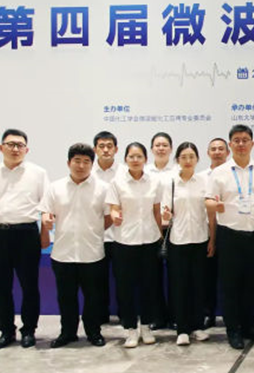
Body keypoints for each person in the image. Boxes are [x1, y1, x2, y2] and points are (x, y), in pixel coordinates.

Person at [0, 129, 50, 350]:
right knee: (1, 287)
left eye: (20, 145)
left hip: (26, 234)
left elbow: (46, 206)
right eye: (11, 144)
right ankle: (6, 331)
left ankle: (29, 331)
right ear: (1, 147)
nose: (15, 149)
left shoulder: (38, 173)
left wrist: (45, 234)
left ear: (27, 149)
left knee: (29, 286)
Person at [206, 125, 254, 349]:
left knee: (252, 285)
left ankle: (248, 327)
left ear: (252, 143)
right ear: (230, 145)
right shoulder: (219, 172)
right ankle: (233, 330)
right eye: (236, 140)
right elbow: (208, 201)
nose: (241, 144)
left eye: (245, 140)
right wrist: (215, 205)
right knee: (230, 286)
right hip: (229, 237)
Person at [39, 143, 111, 348]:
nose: (81, 165)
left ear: (92, 164)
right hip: (63, 253)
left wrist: (93, 231)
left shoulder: (103, 189)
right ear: (68, 163)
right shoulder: (55, 188)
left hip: (92, 253)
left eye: (86, 161)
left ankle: (94, 332)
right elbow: (46, 212)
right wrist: (46, 221)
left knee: (93, 298)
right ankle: (68, 333)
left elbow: (108, 218)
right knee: (66, 297)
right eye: (77, 161)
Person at [107, 142, 163, 348]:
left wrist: (160, 236)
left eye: (139, 156)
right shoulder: (117, 182)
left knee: (150, 285)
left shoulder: (155, 181)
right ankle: (130, 329)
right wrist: (115, 215)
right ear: (126, 159)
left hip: (149, 240)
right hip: (125, 241)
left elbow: (156, 210)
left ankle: (146, 326)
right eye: (131, 156)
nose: (135, 160)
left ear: (145, 159)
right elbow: (113, 208)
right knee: (126, 287)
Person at [163, 142, 212, 346]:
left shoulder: (204, 181)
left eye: (191, 156)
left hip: (200, 238)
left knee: (198, 285)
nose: (188, 160)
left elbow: (209, 212)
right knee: (179, 286)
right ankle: (182, 329)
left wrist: (212, 239)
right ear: (177, 160)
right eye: (183, 157)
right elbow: (165, 212)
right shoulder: (170, 183)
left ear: (197, 159)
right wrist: (166, 214)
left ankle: (197, 326)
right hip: (178, 240)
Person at [146, 132, 177, 330]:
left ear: (171, 149)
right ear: (152, 149)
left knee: (176, 276)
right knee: (152, 276)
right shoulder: (144, 171)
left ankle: (175, 316)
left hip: (174, 229)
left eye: (165, 145)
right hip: (150, 228)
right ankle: (157, 316)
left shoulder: (178, 171)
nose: (161, 148)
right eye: (157, 145)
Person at [93, 131, 121, 325]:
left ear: (116, 149)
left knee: (123, 279)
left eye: (109, 146)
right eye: (101, 146)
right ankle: (100, 314)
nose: (105, 150)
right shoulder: (87, 172)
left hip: (120, 235)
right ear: (95, 149)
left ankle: (124, 314)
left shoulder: (124, 172)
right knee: (97, 279)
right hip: (97, 235)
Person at [202, 137, 228, 329]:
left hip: (229, 232)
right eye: (213, 149)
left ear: (227, 152)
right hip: (206, 232)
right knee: (207, 278)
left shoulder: (233, 174)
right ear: (208, 153)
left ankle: (231, 316)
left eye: (221, 149)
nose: (217, 152)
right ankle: (208, 314)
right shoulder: (200, 177)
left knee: (230, 279)